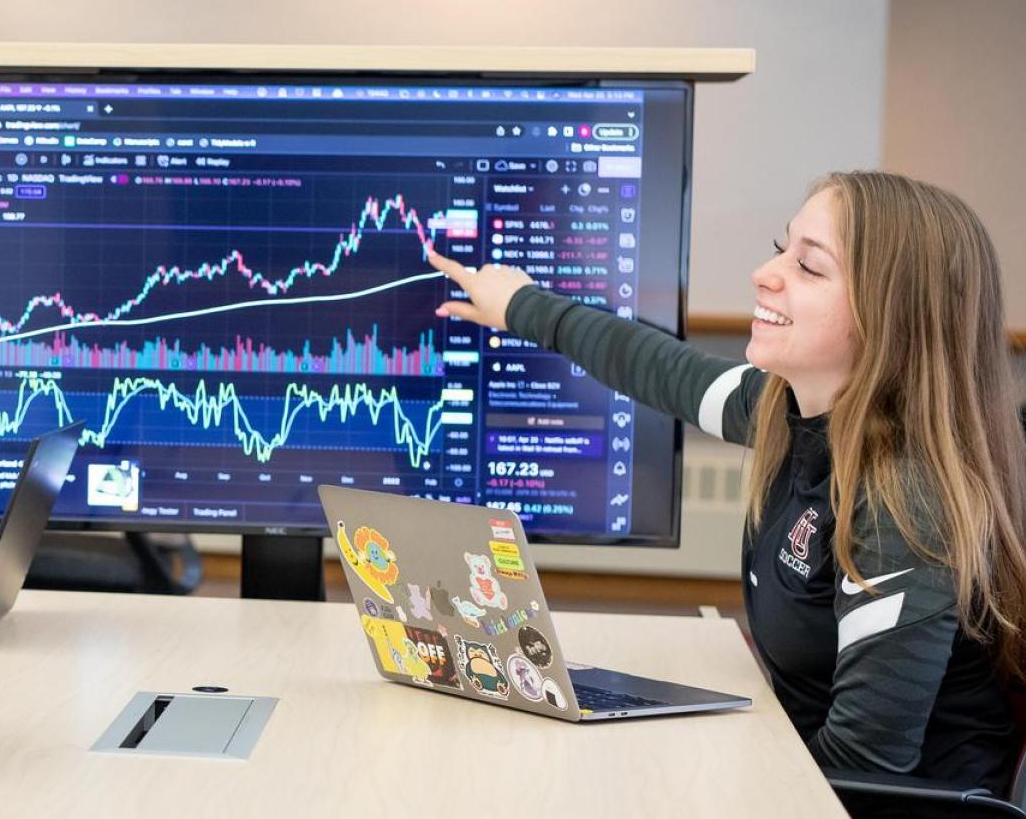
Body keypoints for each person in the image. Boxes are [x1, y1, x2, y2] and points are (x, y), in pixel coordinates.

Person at [427, 171, 1026, 791]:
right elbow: (653, 366)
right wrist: (523, 305)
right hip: (799, 768)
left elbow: (865, 766)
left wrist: (696, 782)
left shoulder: (908, 502)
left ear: (892, 318)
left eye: (810, 268)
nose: (765, 275)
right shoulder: (784, 409)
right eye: (781, 249)